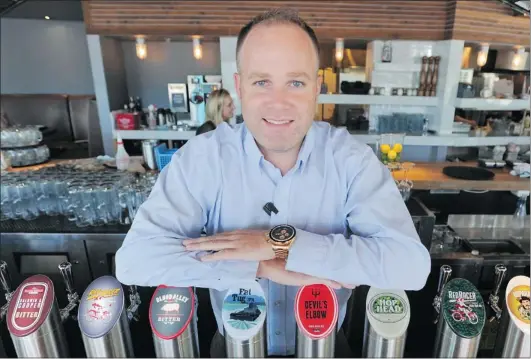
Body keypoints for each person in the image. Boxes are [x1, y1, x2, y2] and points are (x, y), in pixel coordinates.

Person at [115, 8, 431, 358]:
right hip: (235, 347)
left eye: (295, 82)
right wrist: (258, 264)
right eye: (261, 81)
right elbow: (135, 259)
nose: (278, 102)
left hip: (325, 347)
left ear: (316, 87)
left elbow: (410, 266)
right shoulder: (202, 158)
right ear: (238, 87)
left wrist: (279, 244)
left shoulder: (351, 160)